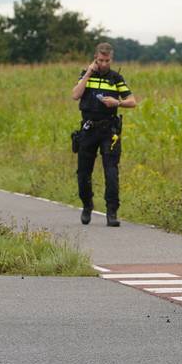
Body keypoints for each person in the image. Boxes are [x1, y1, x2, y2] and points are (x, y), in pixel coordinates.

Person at [71, 42, 136, 226]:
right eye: (100, 60)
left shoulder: (116, 78)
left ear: (111, 59)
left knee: (111, 172)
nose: (104, 64)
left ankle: (111, 212)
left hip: (109, 130)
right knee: (83, 172)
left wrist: (117, 103)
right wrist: (88, 73)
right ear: (95, 59)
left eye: (107, 61)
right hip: (88, 129)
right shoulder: (86, 75)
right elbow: (75, 95)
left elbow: (132, 101)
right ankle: (87, 205)